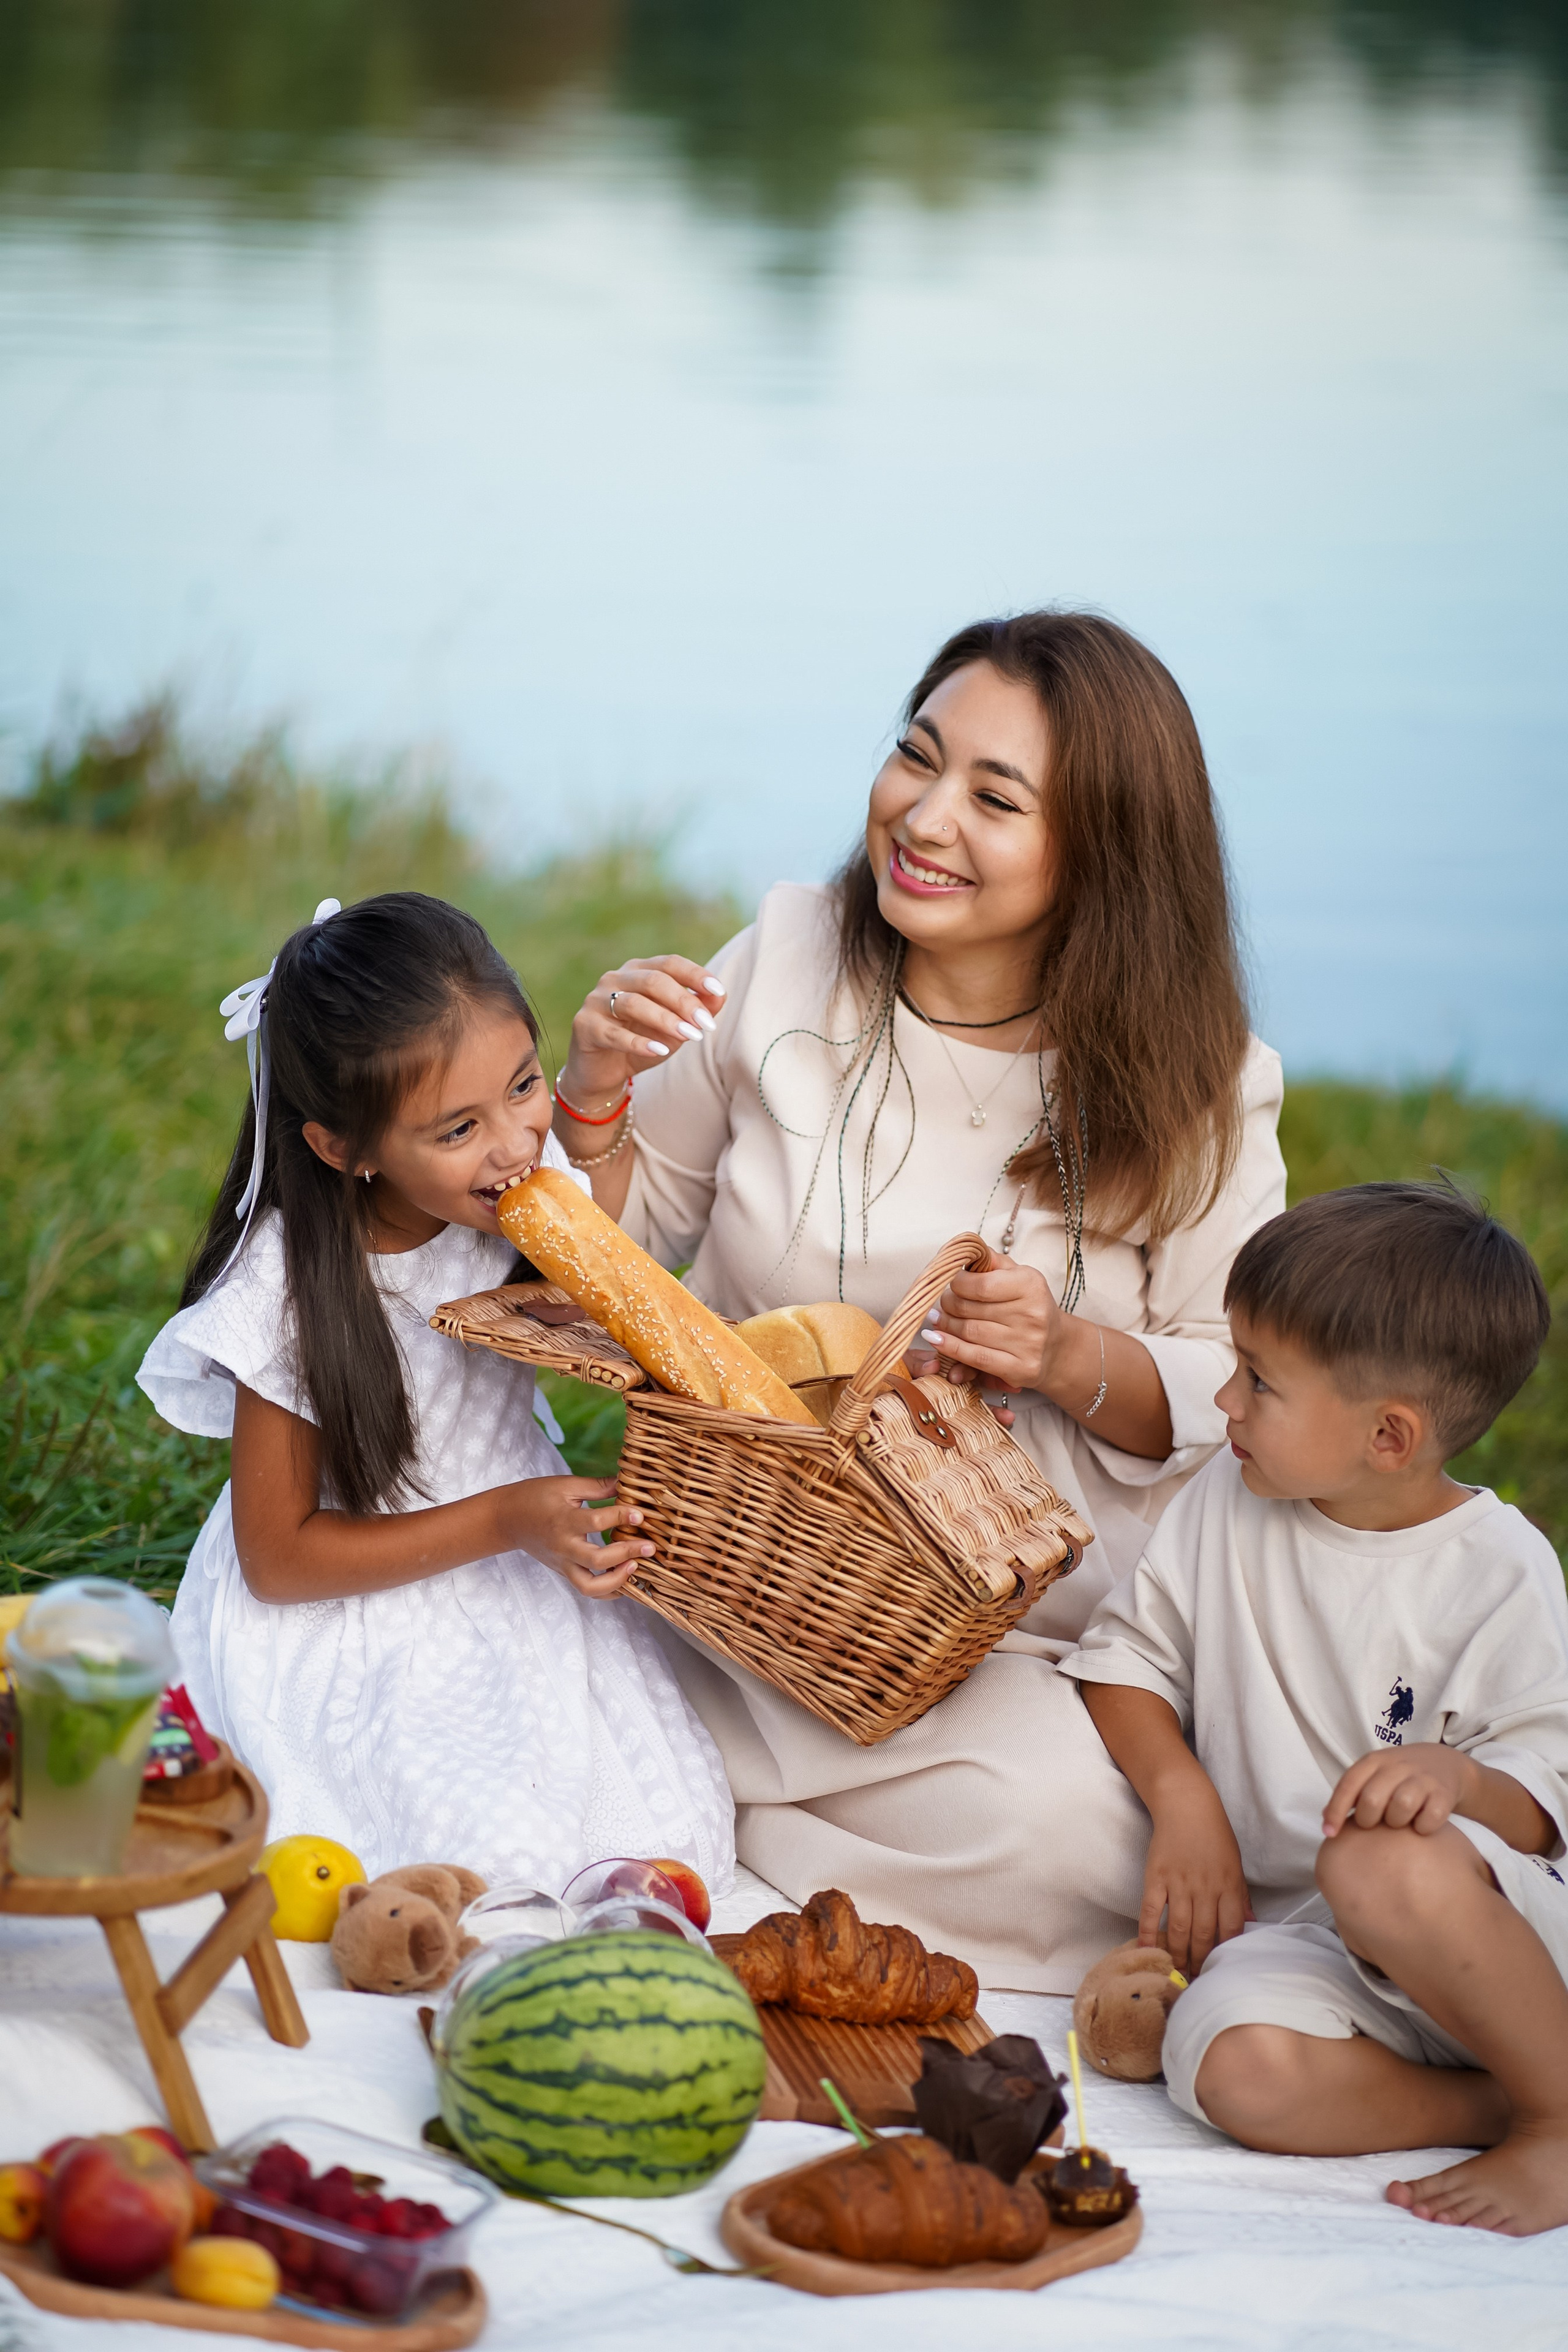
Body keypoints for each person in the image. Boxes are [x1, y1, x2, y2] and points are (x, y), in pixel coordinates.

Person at [545, 611, 1287, 1989]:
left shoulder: (1202, 1083)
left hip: (1015, 1638)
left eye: (993, 800)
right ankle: (701, 1803)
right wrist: (588, 1096)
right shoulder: (787, 958)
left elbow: (1239, 1390)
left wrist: (1071, 1357)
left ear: (1106, 853)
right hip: (751, 1581)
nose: (923, 817)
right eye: (915, 756)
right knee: (1074, 1844)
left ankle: (689, 1821)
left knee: (1107, 1829)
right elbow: (621, 1265)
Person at [137, 892, 733, 1893]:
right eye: (459, 1127)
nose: (512, 1147)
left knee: (665, 1818)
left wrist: (588, 1088)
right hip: (352, 1599)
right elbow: (279, 1560)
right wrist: (509, 1517)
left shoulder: (496, 1192)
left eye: (524, 1086)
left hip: (518, 1567)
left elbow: (601, 1260)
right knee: (471, 1838)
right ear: (344, 1148)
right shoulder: (292, 1289)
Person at [1060, 1181, 1568, 2236]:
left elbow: (1545, 1805)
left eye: (1257, 1379)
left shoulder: (1501, 1569)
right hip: (1325, 1953)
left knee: (1375, 1860)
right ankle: (1492, 2108)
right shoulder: (1227, 1498)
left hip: (1497, 1945)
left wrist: (1461, 1780)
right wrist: (1184, 1802)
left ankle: (1557, 2118)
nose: (1225, 1402)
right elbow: (1125, 1660)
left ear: (1389, 1437)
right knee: (1227, 2070)